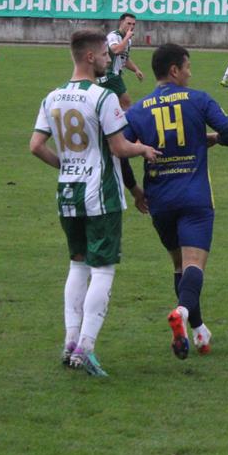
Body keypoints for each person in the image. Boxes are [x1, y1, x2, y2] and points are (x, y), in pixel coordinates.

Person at [28, 30, 160, 377]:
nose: (107, 59)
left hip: (67, 192)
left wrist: (66, 166)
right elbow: (119, 147)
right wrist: (143, 149)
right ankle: (85, 347)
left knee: (78, 265)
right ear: (90, 56)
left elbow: (36, 146)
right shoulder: (103, 97)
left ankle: (70, 343)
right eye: (104, 54)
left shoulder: (52, 97)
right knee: (102, 269)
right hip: (100, 192)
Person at [123, 43, 228, 358]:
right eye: (187, 67)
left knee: (179, 265)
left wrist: (134, 189)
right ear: (174, 70)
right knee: (194, 264)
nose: (190, 73)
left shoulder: (137, 110)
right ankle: (182, 312)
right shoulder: (199, 99)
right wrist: (210, 138)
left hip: (159, 199)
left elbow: (118, 150)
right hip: (194, 197)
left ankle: (199, 331)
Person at [100, 13, 145, 110]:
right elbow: (116, 50)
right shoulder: (113, 36)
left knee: (111, 104)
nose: (131, 26)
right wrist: (127, 37)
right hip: (110, 75)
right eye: (129, 23)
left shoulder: (127, 40)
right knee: (126, 103)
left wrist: (136, 70)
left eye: (133, 24)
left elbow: (124, 58)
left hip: (113, 76)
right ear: (121, 22)